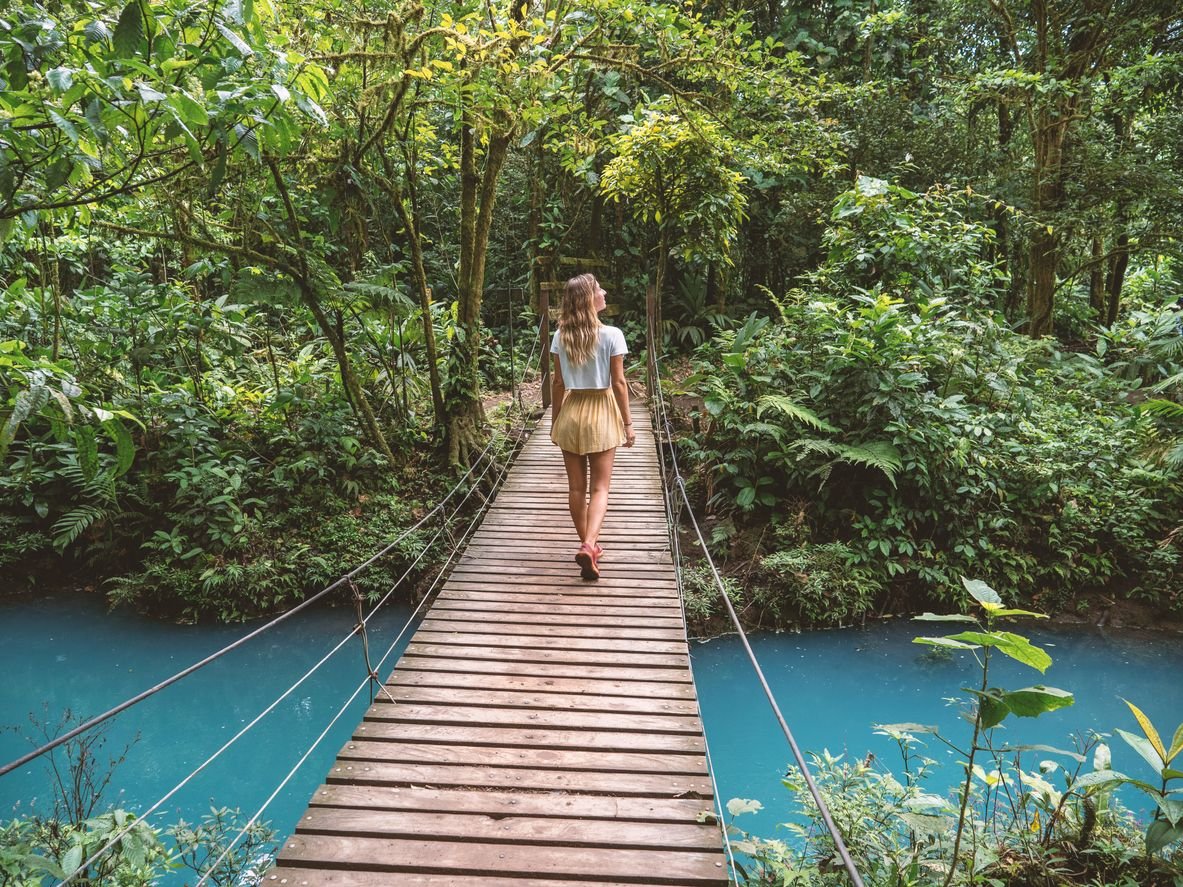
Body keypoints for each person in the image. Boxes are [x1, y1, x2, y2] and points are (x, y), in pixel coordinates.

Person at [549, 273, 636, 580]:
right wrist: (628, 424)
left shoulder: (560, 336)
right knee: (600, 488)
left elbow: (558, 383)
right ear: (589, 299)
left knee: (576, 488)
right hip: (602, 410)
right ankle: (589, 544)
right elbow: (620, 383)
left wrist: (555, 421)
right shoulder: (612, 334)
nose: (604, 291)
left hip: (572, 411)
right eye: (600, 289)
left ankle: (589, 548)